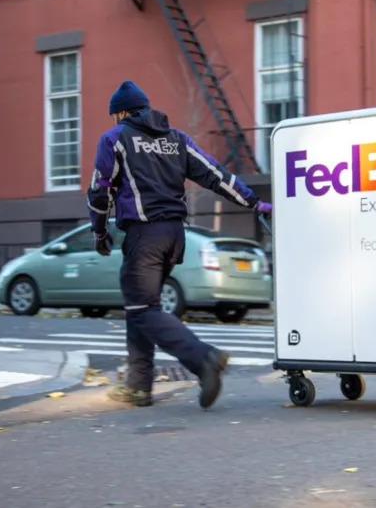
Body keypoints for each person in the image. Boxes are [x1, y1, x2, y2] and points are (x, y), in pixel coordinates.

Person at [87, 81, 272, 409]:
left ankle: (204, 358)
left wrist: (100, 232)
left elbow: (100, 191)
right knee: (141, 308)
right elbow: (215, 174)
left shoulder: (115, 139)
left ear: (124, 113)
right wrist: (253, 202)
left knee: (143, 308)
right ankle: (139, 387)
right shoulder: (177, 139)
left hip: (144, 235)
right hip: (175, 236)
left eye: (116, 115)